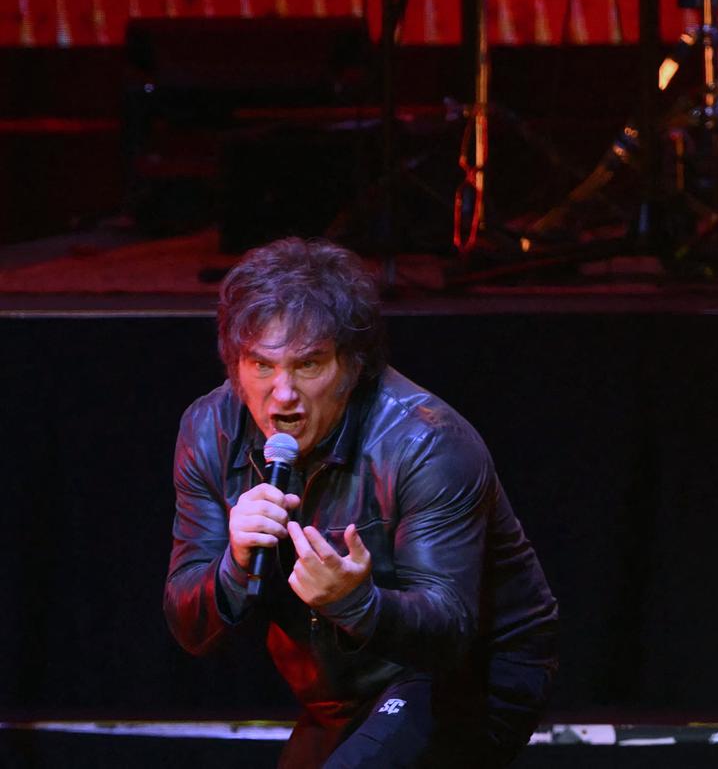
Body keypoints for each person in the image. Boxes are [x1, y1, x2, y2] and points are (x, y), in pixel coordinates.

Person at [163, 237, 558, 767]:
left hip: (470, 671)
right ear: (235, 366)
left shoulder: (426, 441)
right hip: (340, 685)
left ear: (351, 366)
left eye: (308, 365)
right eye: (260, 365)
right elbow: (188, 627)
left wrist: (355, 601)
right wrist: (234, 565)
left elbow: (450, 630)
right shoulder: (208, 430)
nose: (281, 394)